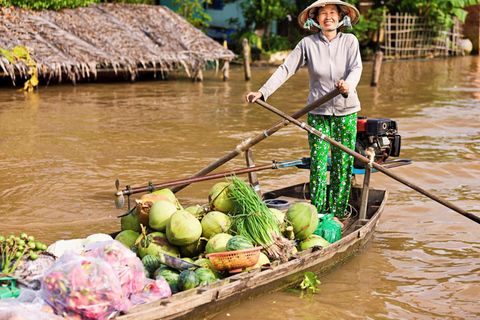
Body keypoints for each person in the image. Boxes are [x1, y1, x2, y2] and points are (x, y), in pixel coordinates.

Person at [245, 0, 362, 218]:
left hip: (346, 111)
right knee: (318, 162)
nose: (328, 17)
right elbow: (285, 69)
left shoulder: (350, 41)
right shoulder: (307, 44)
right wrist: (262, 92)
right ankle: (316, 213)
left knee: (342, 163)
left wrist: (348, 85)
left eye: (332, 13)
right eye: (323, 13)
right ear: (316, 19)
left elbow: (356, 68)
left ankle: (337, 214)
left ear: (340, 17)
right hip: (318, 112)